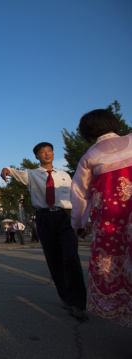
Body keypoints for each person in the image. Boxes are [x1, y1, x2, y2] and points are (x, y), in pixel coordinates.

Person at [1, 142, 88, 320]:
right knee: (54, 259)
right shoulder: (32, 174)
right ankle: (65, 296)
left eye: (49, 151)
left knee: (71, 258)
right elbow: (17, 173)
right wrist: (7, 169)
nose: (47, 154)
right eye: (42, 152)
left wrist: (84, 221)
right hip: (44, 218)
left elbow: (76, 197)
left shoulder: (65, 175)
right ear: (37, 156)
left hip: (66, 217)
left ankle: (78, 303)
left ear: (53, 154)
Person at [70, 109, 132, 328]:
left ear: (87, 133)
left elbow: (79, 195)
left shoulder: (89, 157)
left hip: (112, 224)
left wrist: (79, 225)